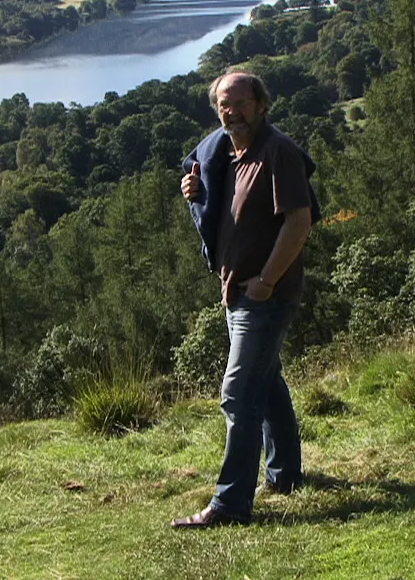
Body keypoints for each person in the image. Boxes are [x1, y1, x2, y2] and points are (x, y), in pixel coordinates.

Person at [172, 70, 321, 529]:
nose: (229, 111)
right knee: (268, 383)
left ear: (261, 104)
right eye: (222, 104)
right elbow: (227, 212)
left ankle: (231, 504)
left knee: (238, 394)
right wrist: (195, 193)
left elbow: (299, 222)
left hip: (265, 295)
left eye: (238, 103)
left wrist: (265, 281)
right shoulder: (226, 155)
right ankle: (285, 476)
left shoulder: (277, 152)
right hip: (238, 291)